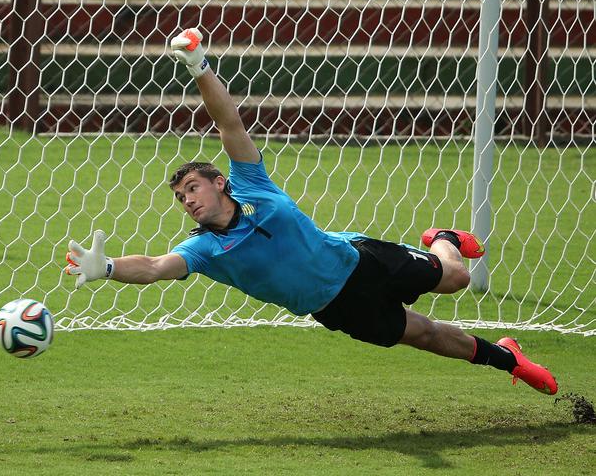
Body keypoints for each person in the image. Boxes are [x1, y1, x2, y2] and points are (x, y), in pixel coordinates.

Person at [64, 28, 557, 396]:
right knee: (426, 335)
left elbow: (227, 119)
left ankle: (443, 237)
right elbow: (153, 268)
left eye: (193, 188)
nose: (188, 201)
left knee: (457, 278)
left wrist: (198, 66)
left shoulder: (251, 182)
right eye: (180, 198)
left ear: (219, 183)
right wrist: (105, 268)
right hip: (338, 308)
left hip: (360, 260)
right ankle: (507, 359)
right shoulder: (206, 249)